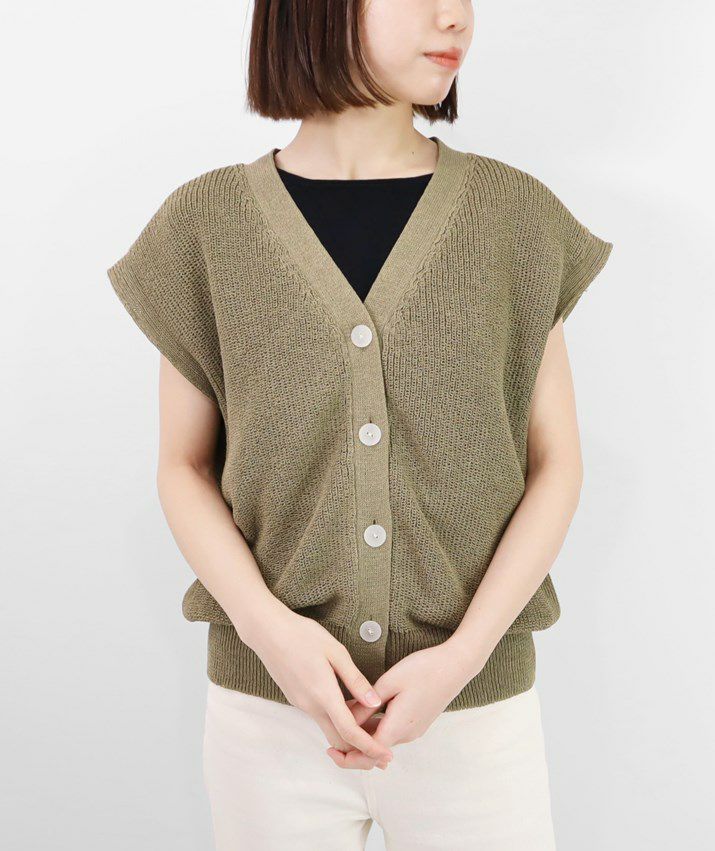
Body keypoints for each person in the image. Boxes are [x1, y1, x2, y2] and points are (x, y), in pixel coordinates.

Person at [106, 1, 612, 848]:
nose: (454, 17)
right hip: (269, 717)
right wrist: (275, 639)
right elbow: (182, 466)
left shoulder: (514, 217)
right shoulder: (205, 225)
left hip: (473, 720)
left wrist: (460, 658)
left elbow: (555, 463)